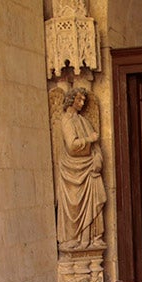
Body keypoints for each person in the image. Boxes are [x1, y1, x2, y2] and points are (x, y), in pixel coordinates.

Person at [58, 87, 106, 250]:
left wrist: (97, 160)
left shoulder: (84, 121)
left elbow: (96, 147)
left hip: (89, 168)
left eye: (84, 100)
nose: (82, 103)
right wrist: (89, 139)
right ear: (71, 100)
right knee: (74, 205)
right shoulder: (66, 120)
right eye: (79, 99)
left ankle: (91, 238)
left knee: (93, 201)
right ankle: (74, 238)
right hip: (73, 169)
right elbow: (72, 146)